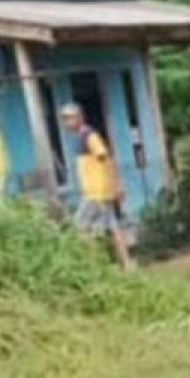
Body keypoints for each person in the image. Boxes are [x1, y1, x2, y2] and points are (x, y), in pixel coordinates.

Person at [62, 104, 130, 269]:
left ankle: (92, 265)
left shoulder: (89, 136)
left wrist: (117, 186)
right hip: (97, 192)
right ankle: (127, 265)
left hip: (96, 193)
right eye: (64, 119)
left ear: (79, 117)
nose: (66, 122)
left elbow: (107, 160)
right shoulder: (80, 137)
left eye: (69, 118)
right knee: (112, 228)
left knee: (79, 227)